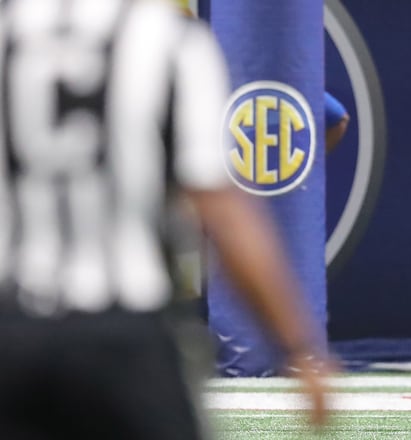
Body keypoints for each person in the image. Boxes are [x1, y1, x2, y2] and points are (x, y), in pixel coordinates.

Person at [0, 0, 330, 438]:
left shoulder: (10, 36)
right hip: (124, 330)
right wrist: (297, 346)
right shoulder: (169, 42)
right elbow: (220, 208)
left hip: (14, 329)